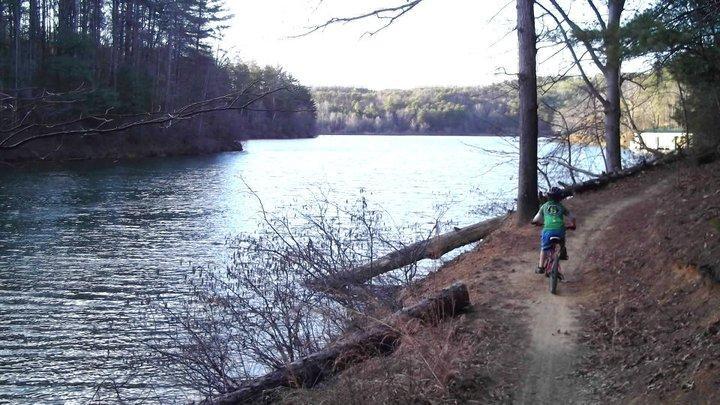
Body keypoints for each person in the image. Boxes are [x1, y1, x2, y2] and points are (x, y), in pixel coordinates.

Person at [531, 186, 576, 276]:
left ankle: (540, 267)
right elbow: (572, 217)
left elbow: (535, 219)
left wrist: (536, 223)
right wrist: (573, 225)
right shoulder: (561, 207)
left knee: (544, 248)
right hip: (560, 229)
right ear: (559, 198)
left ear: (548, 196)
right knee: (562, 239)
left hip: (548, 230)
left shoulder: (544, 206)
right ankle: (563, 251)